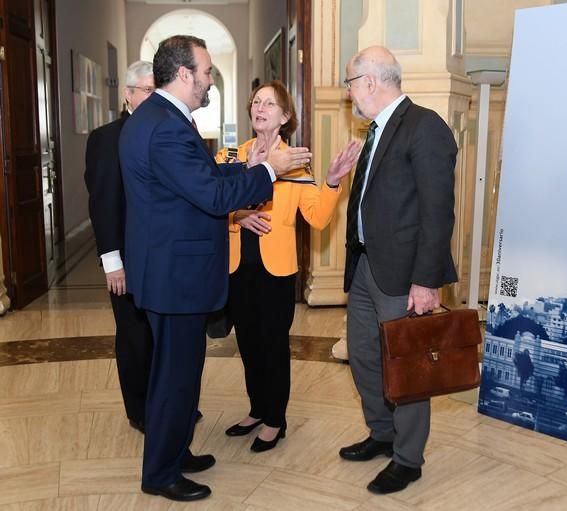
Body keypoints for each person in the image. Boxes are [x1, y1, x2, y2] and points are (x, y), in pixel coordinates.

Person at [119, 35, 311, 502]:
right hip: (175, 278)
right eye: (205, 73)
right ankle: (161, 472)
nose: (208, 81)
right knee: (174, 377)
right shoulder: (166, 126)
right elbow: (212, 196)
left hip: (166, 271)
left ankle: (176, 451)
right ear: (184, 75)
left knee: (178, 373)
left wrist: (248, 164)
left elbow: (198, 179)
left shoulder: (155, 118)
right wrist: (270, 170)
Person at [339, 46, 458, 495]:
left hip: (405, 274)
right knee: (365, 356)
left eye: (351, 81)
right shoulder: (375, 131)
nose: (349, 91)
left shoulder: (424, 127)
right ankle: (382, 434)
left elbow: (437, 212)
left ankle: (408, 459)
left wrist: (426, 281)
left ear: (371, 81)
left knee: (405, 366)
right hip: (367, 265)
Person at [217, 81, 360, 453]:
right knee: (247, 344)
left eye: (269, 103)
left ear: (284, 116)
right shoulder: (229, 156)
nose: (260, 108)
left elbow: (317, 217)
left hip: (275, 272)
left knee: (272, 346)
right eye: (256, 102)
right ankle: (256, 409)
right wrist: (239, 216)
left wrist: (331, 182)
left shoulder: (295, 163)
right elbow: (210, 204)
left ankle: (275, 420)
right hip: (236, 269)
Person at [84, 61, 155, 434]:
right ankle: (139, 410)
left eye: (155, 90)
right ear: (128, 93)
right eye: (145, 90)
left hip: (160, 256)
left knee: (161, 335)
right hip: (125, 258)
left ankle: (165, 405)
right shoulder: (106, 138)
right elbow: (103, 202)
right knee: (133, 334)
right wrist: (112, 261)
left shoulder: (167, 130)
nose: (151, 97)